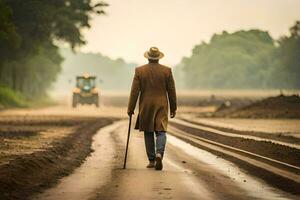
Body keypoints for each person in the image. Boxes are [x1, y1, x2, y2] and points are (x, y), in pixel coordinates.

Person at [127, 47, 177, 170]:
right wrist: (173, 108)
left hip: (146, 105)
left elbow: (134, 91)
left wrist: (130, 108)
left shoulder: (139, 71)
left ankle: (152, 160)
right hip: (162, 105)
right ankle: (159, 153)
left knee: (148, 132)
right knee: (161, 131)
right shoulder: (167, 71)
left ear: (148, 57)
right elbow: (171, 91)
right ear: (158, 57)